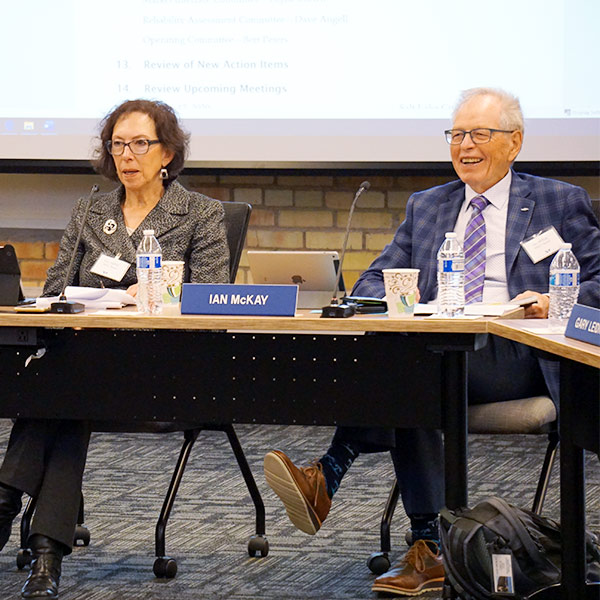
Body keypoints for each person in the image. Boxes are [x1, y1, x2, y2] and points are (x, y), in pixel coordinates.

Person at [264, 87, 600, 596]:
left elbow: (598, 281)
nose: (465, 145)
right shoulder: (427, 206)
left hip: (517, 350)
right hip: (437, 346)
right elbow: (371, 281)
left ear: (514, 142)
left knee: (415, 366)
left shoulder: (558, 200)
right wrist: (400, 292)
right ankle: (429, 547)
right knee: (417, 367)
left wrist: (554, 300)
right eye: (457, 134)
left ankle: (332, 475)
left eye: (479, 134)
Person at [0, 99, 229, 599]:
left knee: (60, 394)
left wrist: (151, 295)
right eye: (118, 144)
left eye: (140, 144)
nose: (127, 155)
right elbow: (54, 291)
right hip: (86, 362)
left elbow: (213, 301)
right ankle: (46, 555)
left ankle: (6, 499)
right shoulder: (90, 211)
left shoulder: (201, 214)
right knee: (69, 393)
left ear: (167, 153)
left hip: (160, 367)